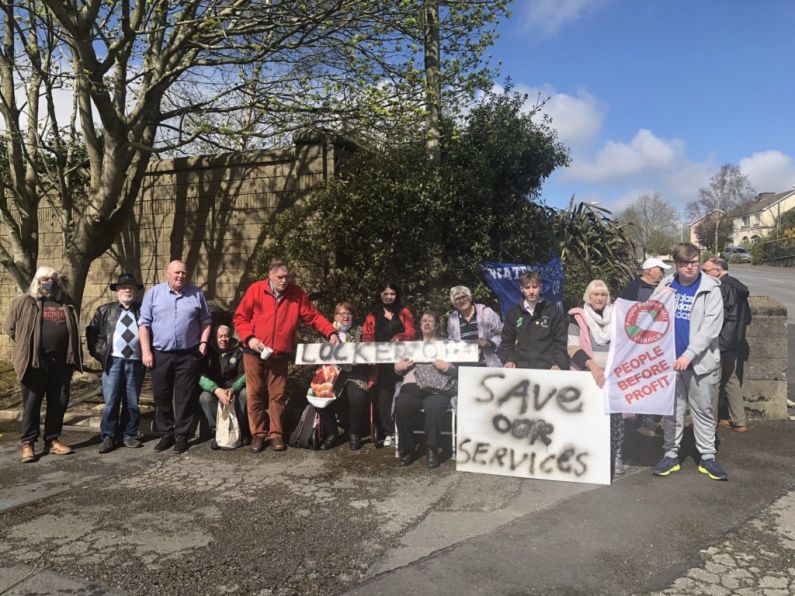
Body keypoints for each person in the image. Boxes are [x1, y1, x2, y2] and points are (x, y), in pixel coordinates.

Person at [233, 259, 339, 453]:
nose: (284, 281)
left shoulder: (296, 294)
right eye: (280, 277)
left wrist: (330, 332)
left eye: (286, 277)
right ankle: (258, 434)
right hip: (253, 351)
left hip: (279, 354)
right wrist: (249, 338)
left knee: (278, 396)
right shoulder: (255, 290)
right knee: (254, 393)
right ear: (270, 276)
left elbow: (312, 316)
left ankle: (276, 435)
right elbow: (240, 317)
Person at [653, 242, 727, 481]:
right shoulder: (666, 284)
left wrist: (689, 355)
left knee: (703, 410)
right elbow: (648, 316)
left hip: (700, 362)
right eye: (685, 263)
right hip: (669, 362)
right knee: (672, 411)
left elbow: (710, 328)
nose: (690, 267)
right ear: (676, 264)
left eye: (694, 262)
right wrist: (658, 299)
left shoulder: (711, 288)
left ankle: (707, 457)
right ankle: (670, 454)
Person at [4, 266, 82, 463]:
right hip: (35, 363)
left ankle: (52, 440)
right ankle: (28, 443)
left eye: (53, 279)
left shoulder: (65, 302)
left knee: (58, 402)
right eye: (45, 279)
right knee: (31, 404)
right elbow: (10, 328)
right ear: (37, 282)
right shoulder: (24, 302)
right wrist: (26, 348)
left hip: (62, 363)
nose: (49, 282)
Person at [139, 260, 212, 454]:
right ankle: (166, 434)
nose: (181, 276)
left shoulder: (197, 294)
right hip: (160, 353)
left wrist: (203, 343)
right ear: (167, 274)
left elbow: (206, 321)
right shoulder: (153, 294)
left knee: (184, 396)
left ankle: (182, 435)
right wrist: (146, 351)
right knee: (161, 395)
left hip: (188, 353)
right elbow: (144, 324)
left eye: (184, 273)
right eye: (177, 273)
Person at [568, 280, 625, 475]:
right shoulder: (578, 317)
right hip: (588, 374)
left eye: (603, 294)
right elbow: (573, 347)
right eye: (596, 294)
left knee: (616, 418)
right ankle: (589, 457)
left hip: (614, 374)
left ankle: (617, 455)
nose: (600, 298)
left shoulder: (617, 315)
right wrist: (592, 366)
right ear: (588, 296)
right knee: (589, 417)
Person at [86, 273, 146, 453]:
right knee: (111, 400)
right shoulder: (105, 310)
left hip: (135, 362)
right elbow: (91, 333)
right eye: (123, 287)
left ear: (135, 291)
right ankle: (109, 436)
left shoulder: (143, 310)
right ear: (117, 291)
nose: (127, 290)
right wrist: (99, 353)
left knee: (132, 401)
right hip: (113, 361)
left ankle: (129, 434)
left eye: (131, 287)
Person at [394, 312, 457, 469]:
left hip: (437, 386)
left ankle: (431, 449)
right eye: (423, 321)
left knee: (434, 408)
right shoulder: (411, 347)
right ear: (420, 326)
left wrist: (448, 367)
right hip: (412, 384)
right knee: (403, 406)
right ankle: (407, 450)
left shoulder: (446, 346)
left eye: (431, 320)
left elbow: (456, 370)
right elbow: (398, 367)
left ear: (436, 326)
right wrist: (399, 367)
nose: (427, 322)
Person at [619, 257, 671, 437]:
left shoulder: (654, 288)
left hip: (652, 346)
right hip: (638, 347)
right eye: (660, 269)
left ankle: (646, 421)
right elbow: (635, 315)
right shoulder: (635, 289)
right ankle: (637, 424)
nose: (663, 273)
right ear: (649, 270)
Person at [363, 282, 416, 447]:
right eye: (386, 293)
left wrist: (400, 336)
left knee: (403, 394)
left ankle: (404, 430)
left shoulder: (404, 312)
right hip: (381, 365)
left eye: (392, 293)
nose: (389, 297)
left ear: (396, 295)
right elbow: (367, 337)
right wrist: (370, 353)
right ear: (380, 295)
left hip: (403, 362)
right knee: (384, 397)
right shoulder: (372, 315)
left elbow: (412, 332)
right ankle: (388, 432)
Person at [702, 257, 752, 432]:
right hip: (736, 342)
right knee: (731, 380)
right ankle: (739, 421)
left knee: (714, 383)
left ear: (717, 270)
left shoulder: (721, 287)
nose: (703, 274)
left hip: (722, 342)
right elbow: (747, 318)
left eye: (705, 271)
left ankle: (709, 424)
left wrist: (717, 340)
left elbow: (718, 318)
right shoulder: (738, 286)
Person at [316, 302, 371, 450]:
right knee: (317, 396)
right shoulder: (327, 331)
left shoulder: (360, 331)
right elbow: (318, 352)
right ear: (335, 316)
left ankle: (353, 433)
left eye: (349, 314)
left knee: (358, 396)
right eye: (342, 314)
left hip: (355, 373)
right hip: (332, 373)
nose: (346, 316)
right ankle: (332, 433)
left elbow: (367, 353)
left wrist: (359, 360)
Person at [498, 272, 568, 370]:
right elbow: (506, 342)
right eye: (527, 288)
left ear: (541, 287)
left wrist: (558, 363)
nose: (531, 291)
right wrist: (509, 359)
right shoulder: (514, 313)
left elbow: (561, 342)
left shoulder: (552, 311)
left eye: (535, 287)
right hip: (521, 368)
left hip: (548, 369)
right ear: (521, 289)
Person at [198, 325, 250, 447]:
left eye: (226, 336)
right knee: (204, 397)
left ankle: (243, 431)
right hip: (216, 390)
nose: (223, 339)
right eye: (220, 336)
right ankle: (217, 433)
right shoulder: (207, 352)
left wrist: (233, 389)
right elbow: (200, 377)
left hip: (234, 389)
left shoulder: (238, 351)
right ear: (214, 338)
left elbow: (245, 375)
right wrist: (216, 389)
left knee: (245, 394)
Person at [446, 285, 503, 367]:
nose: (461, 300)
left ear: (469, 297)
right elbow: (452, 343)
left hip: (488, 367)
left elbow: (503, 334)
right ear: (454, 303)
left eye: (464, 296)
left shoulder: (487, 312)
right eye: (457, 298)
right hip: (465, 369)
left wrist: (489, 343)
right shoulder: (452, 320)